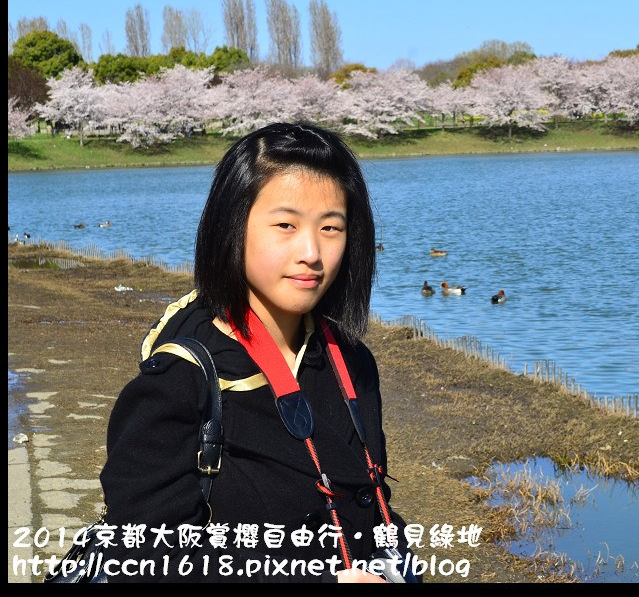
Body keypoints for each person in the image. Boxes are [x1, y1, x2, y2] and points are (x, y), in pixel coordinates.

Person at [98, 123, 411, 583]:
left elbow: (367, 502)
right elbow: (140, 558)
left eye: (331, 228)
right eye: (285, 225)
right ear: (233, 227)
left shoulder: (352, 362)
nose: (311, 252)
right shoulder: (180, 380)